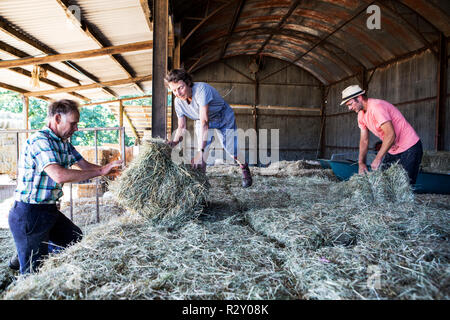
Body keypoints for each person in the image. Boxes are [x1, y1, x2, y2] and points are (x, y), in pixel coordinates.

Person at [8, 99, 122, 274]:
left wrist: (105, 169)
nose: (76, 128)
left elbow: (83, 164)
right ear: (57, 118)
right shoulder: (40, 141)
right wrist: (98, 173)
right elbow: (59, 175)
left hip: (48, 209)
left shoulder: (63, 142)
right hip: (29, 212)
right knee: (32, 272)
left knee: (74, 239)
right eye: (73, 123)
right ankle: (27, 252)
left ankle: (27, 250)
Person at [165, 68, 252, 188]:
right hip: (200, 121)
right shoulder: (178, 102)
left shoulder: (201, 90)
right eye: (174, 90)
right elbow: (181, 126)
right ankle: (202, 184)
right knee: (202, 152)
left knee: (231, 149)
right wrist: (174, 142)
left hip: (222, 116)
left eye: (180, 87)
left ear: (188, 83)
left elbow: (205, 122)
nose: (178, 93)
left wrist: (200, 152)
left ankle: (244, 167)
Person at [341, 85, 423, 185]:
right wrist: (361, 163)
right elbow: (364, 140)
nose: (349, 108)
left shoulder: (376, 107)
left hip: (410, 147)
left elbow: (391, 135)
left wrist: (378, 158)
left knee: (404, 188)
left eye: (350, 104)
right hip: (393, 150)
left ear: (359, 98)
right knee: (385, 185)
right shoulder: (360, 115)